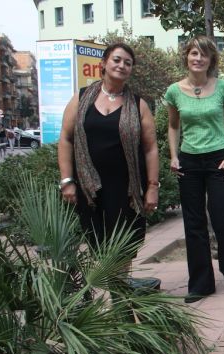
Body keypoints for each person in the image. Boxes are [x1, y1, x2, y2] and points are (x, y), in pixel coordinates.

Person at [165, 35, 224, 304]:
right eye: (193, 53)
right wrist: (174, 155)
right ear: (186, 57)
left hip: (218, 160)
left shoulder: (223, 88)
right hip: (188, 162)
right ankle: (201, 283)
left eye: (203, 54)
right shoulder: (174, 91)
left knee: (222, 219)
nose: (198, 58)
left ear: (211, 59)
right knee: (194, 223)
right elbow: (174, 126)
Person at [57, 43, 159, 259]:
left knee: (122, 250)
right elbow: (66, 139)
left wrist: (152, 187)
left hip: (126, 190)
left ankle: (120, 292)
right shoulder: (81, 98)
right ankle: (118, 292)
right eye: (117, 60)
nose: (122, 65)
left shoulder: (139, 105)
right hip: (90, 188)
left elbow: (150, 149)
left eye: (128, 63)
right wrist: (66, 181)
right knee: (99, 246)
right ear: (103, 63)